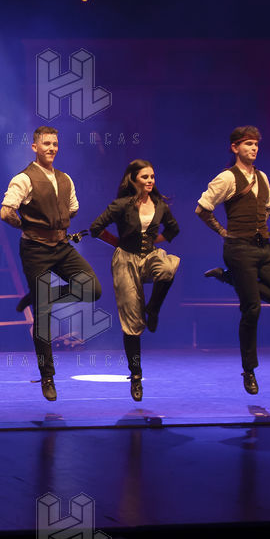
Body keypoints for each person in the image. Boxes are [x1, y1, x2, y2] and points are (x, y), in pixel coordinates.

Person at [0, 127, 101, 401]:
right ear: (34, 147)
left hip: (62, 246)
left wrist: (57, 219)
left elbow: (73, 208)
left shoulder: (65, 178)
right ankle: (47, 376)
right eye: (46, 143)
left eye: (55, 143)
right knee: (43, 315)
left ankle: (36, 295)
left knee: (92, 288)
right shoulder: (24, 178)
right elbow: (6, 212)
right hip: (35, 249)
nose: (51, 148)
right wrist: (28, 225)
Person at [195, 126, 270, 395]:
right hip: (238, 249)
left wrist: (260, 226)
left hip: (264, 247)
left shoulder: (262, 177)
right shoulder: (227, 178)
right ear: (235, 147)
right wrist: (222, 231)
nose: (253, 148)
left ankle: (228, 278)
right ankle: (249, 370)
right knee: (252, 309)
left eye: (256, 144)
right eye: (248, 143)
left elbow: (268, 205)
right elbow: (202, 209)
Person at [86, 160, 180, 402]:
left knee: (167, 269)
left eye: (152, 177)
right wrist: (118, 243)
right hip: (125, 261)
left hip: (149, 256)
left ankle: (153, 309)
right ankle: (136, 375)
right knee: (133, 324)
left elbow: (173, 230)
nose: (150, 181)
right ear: (133, 179)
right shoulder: (121, 205)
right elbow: (96, 228)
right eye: (145, 177)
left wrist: (151, 241)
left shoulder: (159, 205)